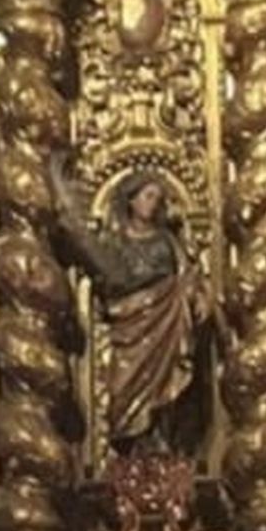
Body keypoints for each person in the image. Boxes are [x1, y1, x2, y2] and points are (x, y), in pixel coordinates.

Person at [50, 160, 210, 454]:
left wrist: (195, 294)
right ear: (132, 200)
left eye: (158, 199)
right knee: (123, 394)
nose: (153, 203)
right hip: (129, 333)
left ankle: (162, 446)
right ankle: (131, 450)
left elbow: (187, 276)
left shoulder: (167, 242)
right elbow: (110, 275)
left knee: (166, 397)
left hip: (166, 328)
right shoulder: (114, 242)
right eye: (148, 196)